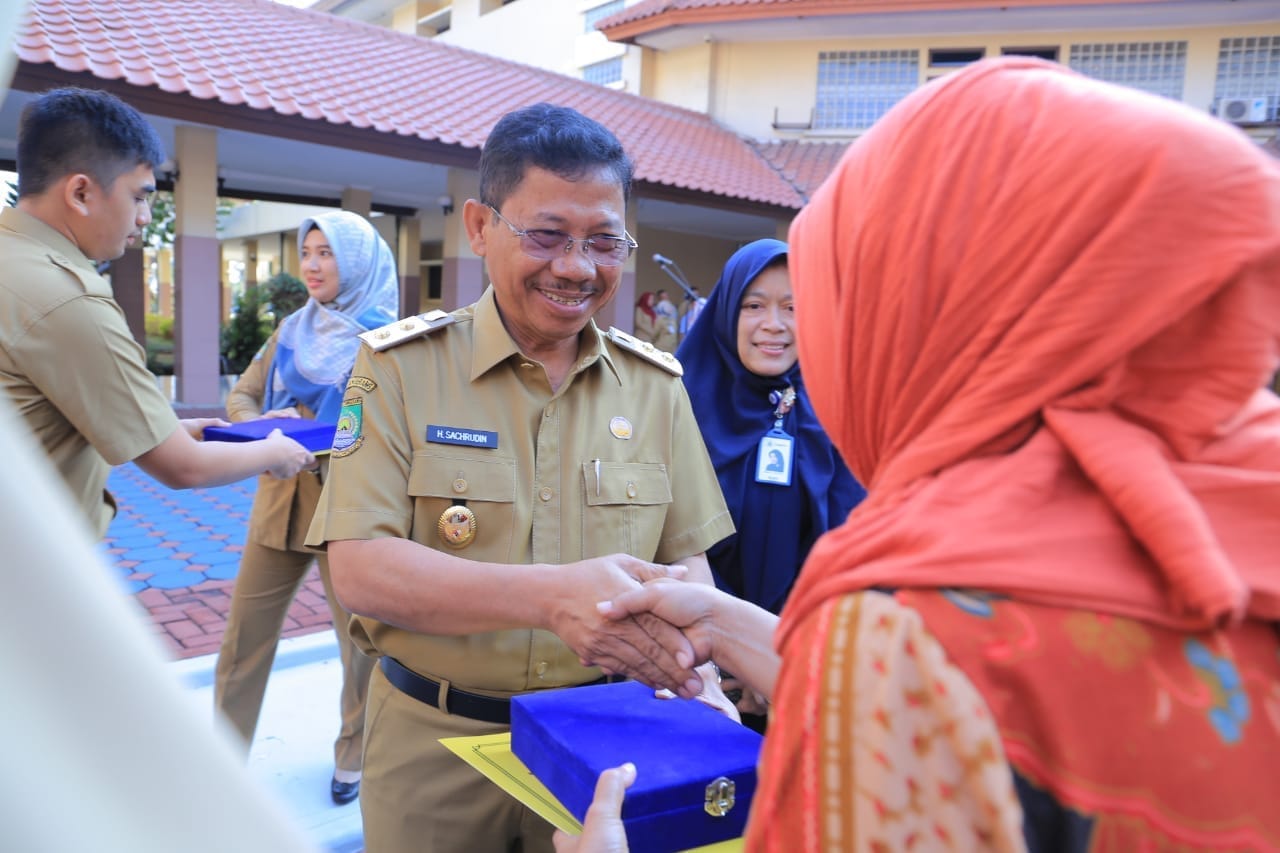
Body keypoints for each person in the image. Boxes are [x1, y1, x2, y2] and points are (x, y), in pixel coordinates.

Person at [565, 56, 1280, 851]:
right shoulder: (1244, 480)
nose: (800, 331)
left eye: (834, 298)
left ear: (923, 302)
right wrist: (733, 628)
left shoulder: (908, 626)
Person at [305, 102, 735, 853]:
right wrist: (553, 596)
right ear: (479, 226)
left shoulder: (655, 385)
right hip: (433, 748)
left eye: (605, 241)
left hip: (607, 753)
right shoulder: (400, 368)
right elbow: (362, 570)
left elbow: (687, 558)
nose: (576, 267)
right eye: (546, 235)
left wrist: (703, 680)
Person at [0, 87, 315, 540]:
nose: (145, 217)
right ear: (82, 192)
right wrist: (274, 452)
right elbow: (183, 469)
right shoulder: (70, 301)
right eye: (139, 196)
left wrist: (168, 428)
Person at [213, 210, 397, 806]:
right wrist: (267, 430)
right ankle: (219, 759)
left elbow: (397, 429)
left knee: (360, 646)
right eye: (308, 252)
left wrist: (329, 436)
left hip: (349, 514)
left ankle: (353, 755)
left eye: (328, 254)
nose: (314, 265)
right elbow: (240, 396)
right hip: (279, 507)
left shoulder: (390, 340)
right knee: (244, 639)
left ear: (359, 262)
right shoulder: (291, 329)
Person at [675, 239, 863, 726]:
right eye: (754, 306)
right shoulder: (676, 403)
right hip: (696, 679)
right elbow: (664, 540)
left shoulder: (840, 409)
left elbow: (854, 544)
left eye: (793, 307)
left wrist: (781, 662)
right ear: (726, 313)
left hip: (808, 678)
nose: (774, 325)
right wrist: (730, 659)